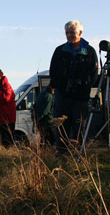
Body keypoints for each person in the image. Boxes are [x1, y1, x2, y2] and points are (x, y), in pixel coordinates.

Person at [49, 20, 98, 155]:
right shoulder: (60, 51)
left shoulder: (89, 51)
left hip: (80, 96)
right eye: (67, 33)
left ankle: (77, 153)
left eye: (72, 33)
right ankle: (61, 152)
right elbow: (53, 71)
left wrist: (84, 86)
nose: (69, 35)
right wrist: (60, 86)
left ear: (80, 33)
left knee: (79, 124)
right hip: (63, 95)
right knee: (61, 125)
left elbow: (94, 74)